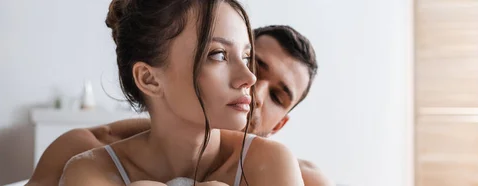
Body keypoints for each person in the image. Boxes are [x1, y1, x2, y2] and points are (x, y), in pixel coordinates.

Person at [25, 24, 324, 186]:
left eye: (277, 97)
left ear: (279, 125)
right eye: (253, 65)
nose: (254, 88)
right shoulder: (82, 151)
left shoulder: (302, 179)